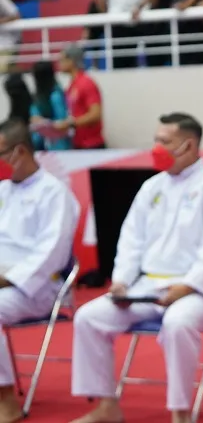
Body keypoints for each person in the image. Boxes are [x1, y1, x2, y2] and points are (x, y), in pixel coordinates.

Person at [70, 113, 203, 423]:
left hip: (200, 291)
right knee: (88, 317)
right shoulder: (152, 187)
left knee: (177, 323)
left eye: (164, 141)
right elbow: (131, 239)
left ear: (188, 145)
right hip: (145, 288)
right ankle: (107, 406)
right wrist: (121, 281)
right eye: (156, 139)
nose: (155, 146)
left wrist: (186, 287)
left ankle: (180, 412)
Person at [0, 119, 80, 422]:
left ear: (19, 151)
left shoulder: (55, 193)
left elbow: (52, 255)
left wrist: (6, 279)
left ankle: (5, 399)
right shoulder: (3, 190)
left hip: (36, 286)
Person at [56, 45, 105, 149]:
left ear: (71, 61)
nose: (59, 63)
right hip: (78, 143)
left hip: (91, 144)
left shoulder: (86, 83)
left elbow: (95, 114)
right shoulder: (72, 85)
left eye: (62, 60)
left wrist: (71, 123)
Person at [29, 60, 72, 151]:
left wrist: (45, 123)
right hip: (40, 143)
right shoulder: (37, 96)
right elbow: (33, 116)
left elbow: (62, 122)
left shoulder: (55, 95)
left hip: (58, 144)